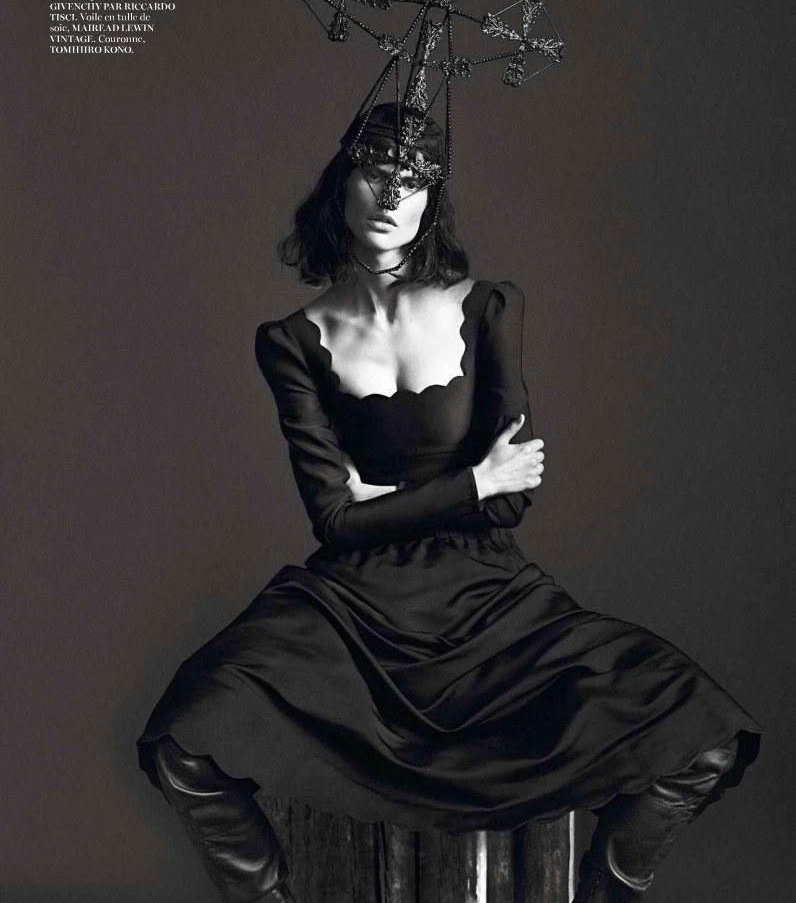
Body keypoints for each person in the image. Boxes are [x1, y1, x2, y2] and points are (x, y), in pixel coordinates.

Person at [136, 103, 762, 902]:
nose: (391, 195)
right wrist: (471, 481)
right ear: (341, 183)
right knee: (186, 735)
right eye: (375, 173)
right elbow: (336, 520)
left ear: (434, 199)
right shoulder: (290, 340)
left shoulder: (489, 307)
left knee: (701, 731)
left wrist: (391, 495)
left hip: (489, 597)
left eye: (414, 180)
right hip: (351, 607)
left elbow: (509, 505)